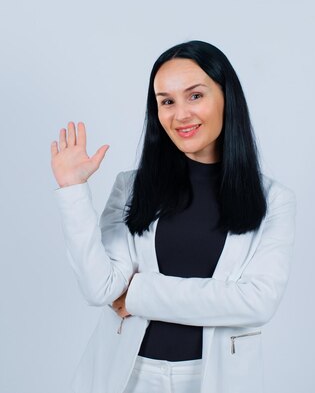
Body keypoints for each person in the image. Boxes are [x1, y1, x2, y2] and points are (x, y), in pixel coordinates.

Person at [50, 40, 296, 393]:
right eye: (166, 101)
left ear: (227, 97)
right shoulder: (132, 186)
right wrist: (73, 191)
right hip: (127, 376)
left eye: (195, 96)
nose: (180, 114)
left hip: (211, 380)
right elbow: (100, 287)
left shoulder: (274, 200)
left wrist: (139, 293)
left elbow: (257, 302)